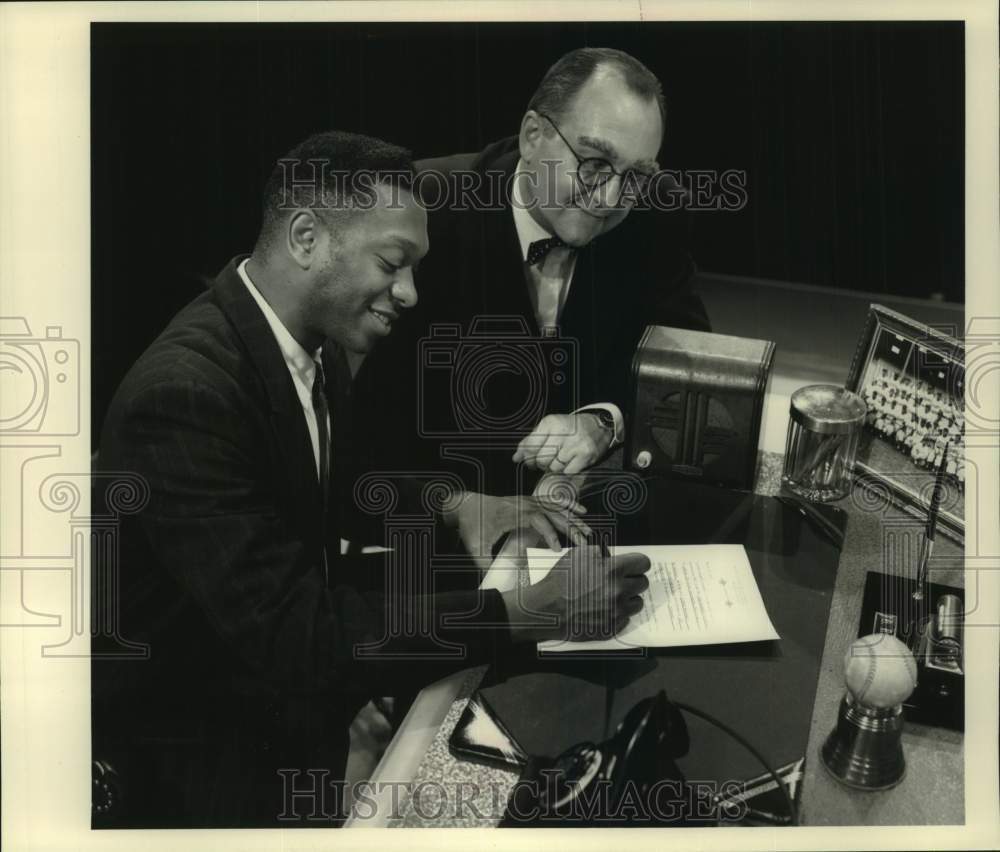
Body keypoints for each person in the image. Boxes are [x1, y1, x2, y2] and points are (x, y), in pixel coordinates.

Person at [92, 130, 650, 828]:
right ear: (305, 236)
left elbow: (343, 480)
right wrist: (531, 612)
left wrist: (459, 505)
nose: (411, 293)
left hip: (271, 677)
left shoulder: (305, 341)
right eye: (394, 263)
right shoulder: (184, 399)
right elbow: (305, 639)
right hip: (189, 741)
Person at [353, 47, 711, 498]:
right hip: (441, 516)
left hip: (587, 511)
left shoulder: (657, 213)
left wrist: (604, 421)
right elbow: (365, 421)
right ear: (532, 135)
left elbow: (690, 375)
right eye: (595, 164)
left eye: (635, 176)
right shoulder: (420, 207)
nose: (609, 199)